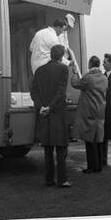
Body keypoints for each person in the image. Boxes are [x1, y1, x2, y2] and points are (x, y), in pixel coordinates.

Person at [30, 45, 71, 187]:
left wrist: (41, 106)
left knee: (47, 148)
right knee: (60, 148)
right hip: (57, 113)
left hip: (44, 114)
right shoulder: (63, 69)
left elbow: (33, 92)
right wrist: (50, 107)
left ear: (51, 54)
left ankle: (49, 179)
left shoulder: (39, 71)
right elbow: (61, 93)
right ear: (61, 56)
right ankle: (62, 179)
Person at [70, 53, 107, 173]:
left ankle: (91, 167)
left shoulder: (87, 78)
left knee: (89, 140)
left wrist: (75, 73)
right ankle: (99, 166)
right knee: (99, 139)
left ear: (90, 64)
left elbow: (75, 84)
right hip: (100, 111)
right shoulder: (104, 78)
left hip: (89, 111)